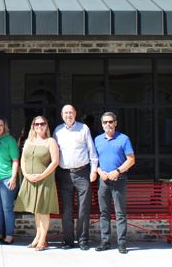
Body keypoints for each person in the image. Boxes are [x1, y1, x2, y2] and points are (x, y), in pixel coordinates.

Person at [53, 104, 98, 250]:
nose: (68, 115)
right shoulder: (58, 131)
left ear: (75, 113)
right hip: (64, 174)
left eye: (70, 112)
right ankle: (68, 241)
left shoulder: (84, 128)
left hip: (82, 173)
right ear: (62, 115)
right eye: (65, 113)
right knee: (66, 210)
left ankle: (83, 240)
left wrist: (93, 170)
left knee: (83, 209)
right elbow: (54, 153)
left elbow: (92, 151)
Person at [14, 116, 59, 251]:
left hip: (45, 180)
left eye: (42, 123)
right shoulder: (28, 141)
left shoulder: (50, 141)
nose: (39, 126)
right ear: (33, 126)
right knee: (36, 211)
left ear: (46, 126)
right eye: (36, 124)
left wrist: (42, 175)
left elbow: (55, 162)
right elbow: (23, 160)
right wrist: (26, 174)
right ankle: (38, 236)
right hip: (30, 179)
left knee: (43, 210)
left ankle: (42, 240)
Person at [94, 111, 135, 254]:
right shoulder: (97, 140)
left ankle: (122, 244)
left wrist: (117, 171)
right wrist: (100, 172)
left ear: (115, 123)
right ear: (102, 124)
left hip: (119, 179)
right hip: (103, 181)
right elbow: (94, 160)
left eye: (110, 122)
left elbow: (131, 159)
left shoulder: (124, 139)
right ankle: (105, 242)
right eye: (105, 122)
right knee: (104, 213)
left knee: (120, 213)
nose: (108, 124)